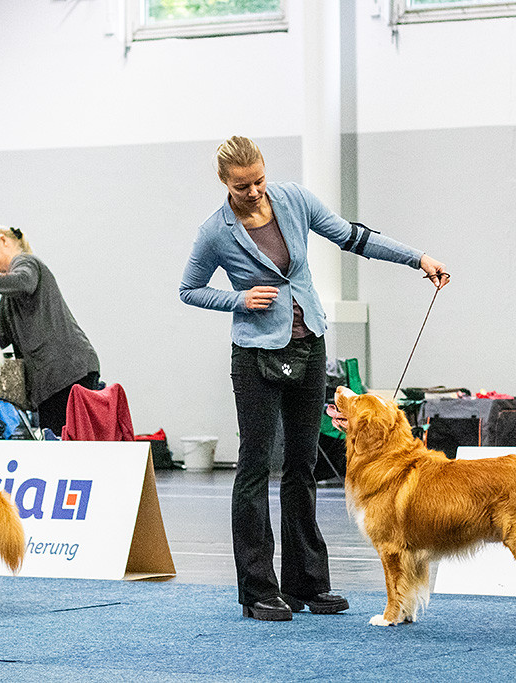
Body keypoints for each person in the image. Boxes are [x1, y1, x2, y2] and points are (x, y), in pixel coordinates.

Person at [179, 136, 449, 621]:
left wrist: (417, 258)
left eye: (259, 179)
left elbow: (353, 236)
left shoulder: (294, 199)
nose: (255, 191)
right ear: (225, 183)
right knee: (255, 467)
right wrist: (238, 301)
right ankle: (258, 589)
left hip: (309, 343)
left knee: (303, 466)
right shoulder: (214, 232)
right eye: (243, 187)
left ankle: (307, 583)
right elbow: (189, 289)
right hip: (255, 355)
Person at [0, 227, 99, 436]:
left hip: (68, 373)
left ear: (3, 241)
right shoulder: (8, 300)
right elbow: (0, 337)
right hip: (52, 381)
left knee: (65, 444)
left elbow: (24, 282)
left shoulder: (26, 263)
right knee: (57, 442)